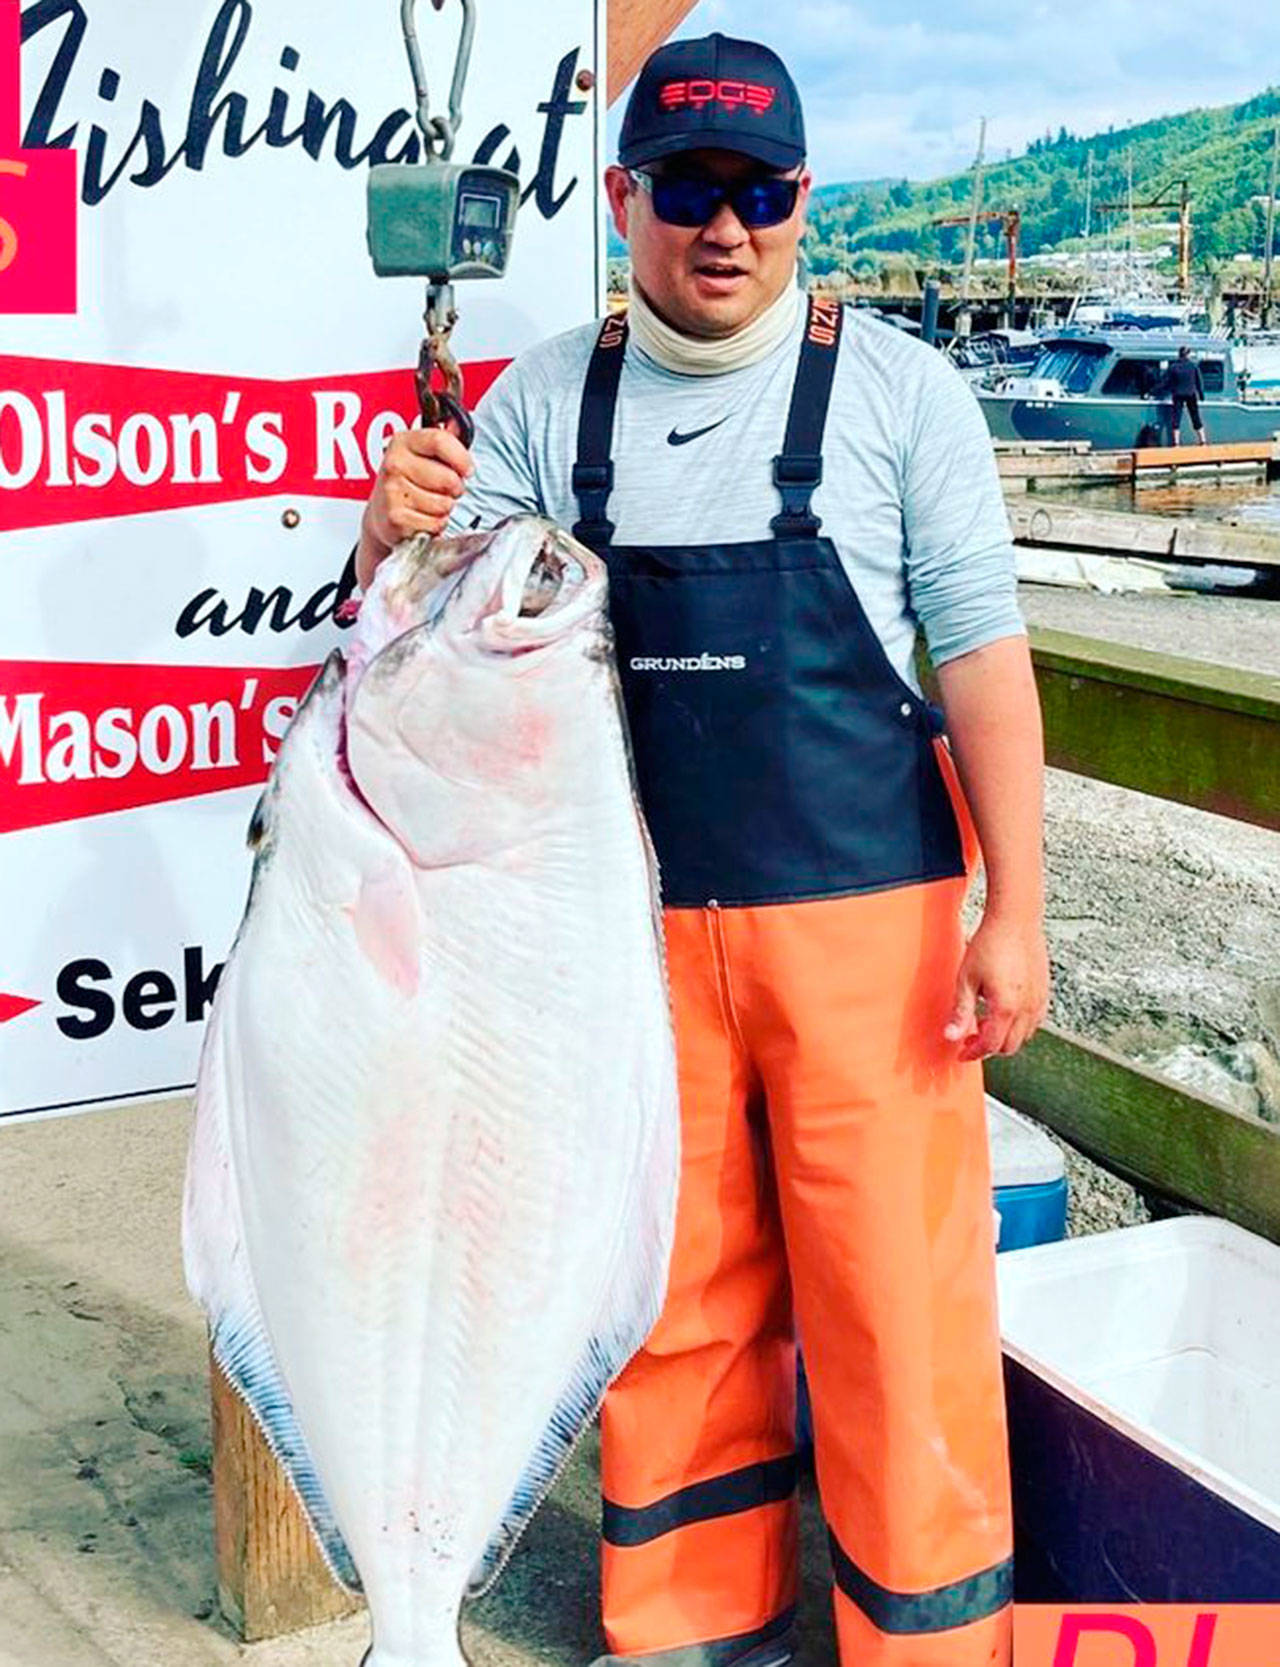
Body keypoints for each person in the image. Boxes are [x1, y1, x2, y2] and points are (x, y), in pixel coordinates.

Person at [357, 33, 1048, 1667]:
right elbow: (413, 655)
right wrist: (386, 535)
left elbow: (983, 662)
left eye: (759, 191)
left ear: (805, 200)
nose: (722, 226)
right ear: (623, 202)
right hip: (622, 945)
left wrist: (1016, 905)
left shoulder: (902, 397)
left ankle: (933, 1644)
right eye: (687, 189)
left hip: (872, 945)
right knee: (668, 1302)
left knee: (899, 1308)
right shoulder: (538, 405)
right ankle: (683, 1625)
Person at [1166, 344, 1208, 446]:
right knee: (1195, 416)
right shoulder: (1193, 366)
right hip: (1191, 394)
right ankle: (1202, 440)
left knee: (1176, 418)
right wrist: (1202, 395)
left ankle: (1176, 442)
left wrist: (1152, 391)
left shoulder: (1173, 367)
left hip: (1178, 394)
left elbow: (1166, 382)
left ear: (1179, 354)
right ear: (1188, 354)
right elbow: (1199, 381)